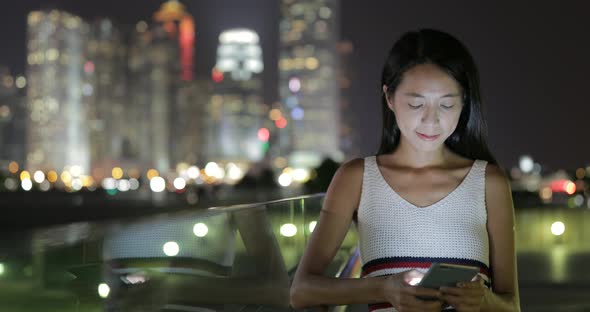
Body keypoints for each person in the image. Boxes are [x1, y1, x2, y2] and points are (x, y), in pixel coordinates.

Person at [290, 29, 520, 312]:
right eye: (416, 103)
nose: (431, 120)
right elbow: (301, 291)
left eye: (447, 104)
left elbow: (512, 305)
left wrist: (485, 300)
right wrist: (384, 288)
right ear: (389, 98)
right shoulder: (357, 178)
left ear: (464, 102)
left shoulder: (488, 182)